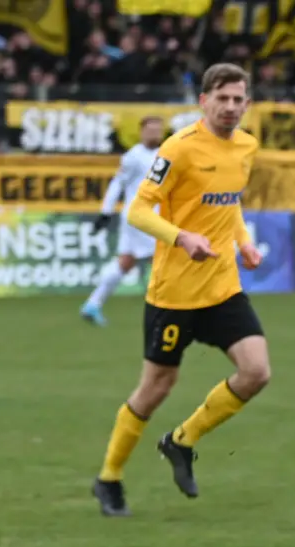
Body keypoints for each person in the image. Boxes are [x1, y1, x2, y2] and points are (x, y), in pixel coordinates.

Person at [92, 64, 267, 517]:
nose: (230, 107)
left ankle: (181, 441)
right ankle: (108, 477)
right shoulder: (179, 148)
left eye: (238, 100)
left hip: (223, 287)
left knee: (256, 372)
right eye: (222, 99)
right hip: (173, 294)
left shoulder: (247, 146)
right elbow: (138, 210)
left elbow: (230, 204)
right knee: (155, 388)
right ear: (204, 101)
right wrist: (182, 237)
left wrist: (244, 243)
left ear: (247, 104)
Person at [80, 116, 166, 327]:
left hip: (145, 217)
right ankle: (163, 313)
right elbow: (117, 184)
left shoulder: (165, 154)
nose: (155, 134)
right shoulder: (134, 156)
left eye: (158, 130)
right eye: (151, 130)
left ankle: (93, 304)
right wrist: (106, 213)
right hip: (142, 217)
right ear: (142, 132)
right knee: (160, 261)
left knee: (125, 262)